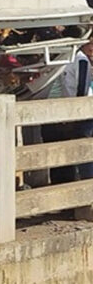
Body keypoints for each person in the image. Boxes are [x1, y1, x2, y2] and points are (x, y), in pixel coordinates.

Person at [44, 37, 93, 183]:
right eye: (89, 43)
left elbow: (81, 88)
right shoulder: (77, 58)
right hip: (66, 113)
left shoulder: (79, 59)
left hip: (73, 113)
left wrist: (75, 114)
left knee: (81, 156)